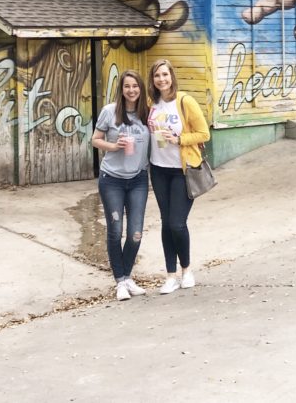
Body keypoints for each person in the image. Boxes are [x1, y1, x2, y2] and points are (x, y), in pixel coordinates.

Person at [147, 58, 210, 294]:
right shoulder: (152, 104)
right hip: (158, 169)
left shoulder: (185, 101)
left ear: (172, 76)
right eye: (157, 75)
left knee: (177, 223)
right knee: (166, 223)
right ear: (152, 80)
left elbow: (204, 133)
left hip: (182, 171)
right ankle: (170, 275)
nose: (161, 79)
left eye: (165, 74)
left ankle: (187, 270)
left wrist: (180, 139)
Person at [90, 69, 151, 301]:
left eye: (135, 86)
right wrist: (113, 146)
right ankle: (120, 281)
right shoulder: (109, 111)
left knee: (135, 233)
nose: (131, 90)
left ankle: (127, 277)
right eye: (127, 86)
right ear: (121, 89)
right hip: (112, 179)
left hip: (138, 179)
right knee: (115, 230)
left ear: (140, 88)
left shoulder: (147, 113)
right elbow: (95, 139)